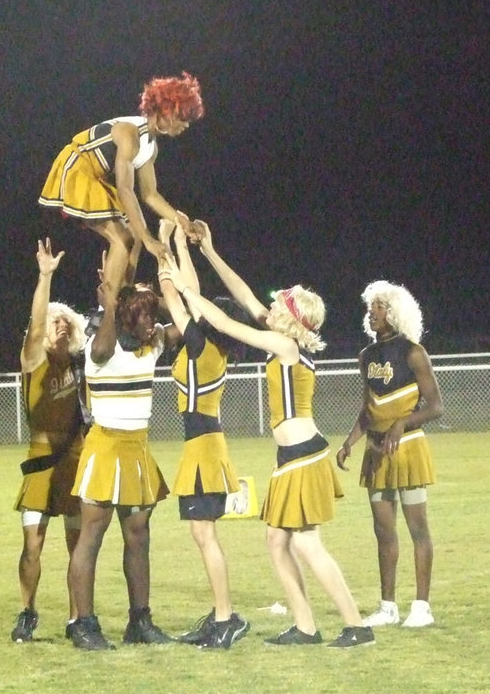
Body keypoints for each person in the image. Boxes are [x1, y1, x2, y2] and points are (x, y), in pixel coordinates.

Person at [160, 222, 373, 649]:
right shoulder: (284, 340)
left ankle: (356, 626)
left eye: (280, 305)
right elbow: (242, 296)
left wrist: (184, 287)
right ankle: (306, 627)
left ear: (292, 318)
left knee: (308, 545)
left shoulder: (287, 347)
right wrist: (210, 252)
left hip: (302, 456)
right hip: (290, 457)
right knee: (277, 542)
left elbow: (222, 319)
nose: (270, 306)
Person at [64, 256, 177, 651]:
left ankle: (139, 621)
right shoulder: (103, 345)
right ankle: (84, 624)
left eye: (152, 316)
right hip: (106, 446)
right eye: (144, 316)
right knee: (91, 536)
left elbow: (186, 324)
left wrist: (161, 287)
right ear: (126, 317)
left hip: (138, 447)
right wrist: (112, 303)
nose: (152, 322)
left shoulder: (153, 346)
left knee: (139, 534)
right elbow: (100, 351)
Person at [155, 220, 251, 650]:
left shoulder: (199, 345)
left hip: (204, 448)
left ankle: (226, 618)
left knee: (204, 534)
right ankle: (222, 614)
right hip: (205, 444)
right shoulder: (209, 346)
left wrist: (161, 249)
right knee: (203, 533)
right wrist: (180, 243)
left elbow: (178, 299)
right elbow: (191, 298)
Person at [336, 280, 444, 630]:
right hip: (376, 451)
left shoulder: (413, 352)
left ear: (395, 311)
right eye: (372, 306)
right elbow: (368, 408)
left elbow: (436, 407)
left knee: (417, 529)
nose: (373, 312)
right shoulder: (366, 356)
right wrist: (350, 441)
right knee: (383, 530)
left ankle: (422, 606)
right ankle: (387, 606)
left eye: (380, 306)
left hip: (408, 448)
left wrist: (402, 423)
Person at [39, 72, 205, 290]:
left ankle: (123, 293)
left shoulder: (150, 147)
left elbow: (150, 195)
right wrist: (149, 241)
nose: (186, 125)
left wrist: (181, 222)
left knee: (135, 235)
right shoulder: (130, 133)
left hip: (95, 177)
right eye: (183, 117)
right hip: (77, 169)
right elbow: (125, 189)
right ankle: (107, 306)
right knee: (124, 238)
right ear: (165, 111)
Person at [10, 239, 89, 643]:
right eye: (54, 322)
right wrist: (45, 277)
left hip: (74, 459)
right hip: (41, 459)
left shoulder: (80, 363)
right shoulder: (34, 360)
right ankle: (27, 611)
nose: (60, 327)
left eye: (66, 323)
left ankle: (78, 618)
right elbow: (36, 325)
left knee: (78, 545)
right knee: (32, 544)